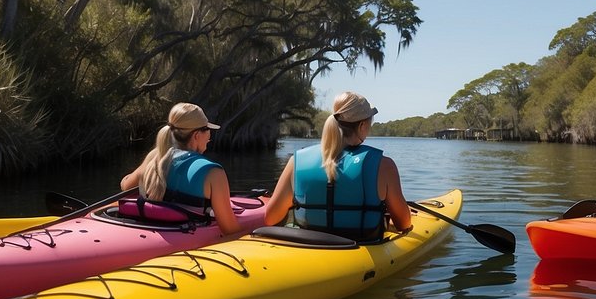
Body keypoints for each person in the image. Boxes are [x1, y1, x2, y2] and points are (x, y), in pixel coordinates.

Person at [263, 91, 412, 240]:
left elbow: (270, 218)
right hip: (362, 248)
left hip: (306, 246)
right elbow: (404, 224)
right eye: (369, 123)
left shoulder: (296, 161)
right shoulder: (384, 165)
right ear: (361, 126)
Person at [120, 102, 242, 234]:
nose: (209, 136)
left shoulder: (156, 158)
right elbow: (230, 230)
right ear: (197, 135)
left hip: (153, 229)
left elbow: (125, 185)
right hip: (187, 239)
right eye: (207, 129)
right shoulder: (214, 173)